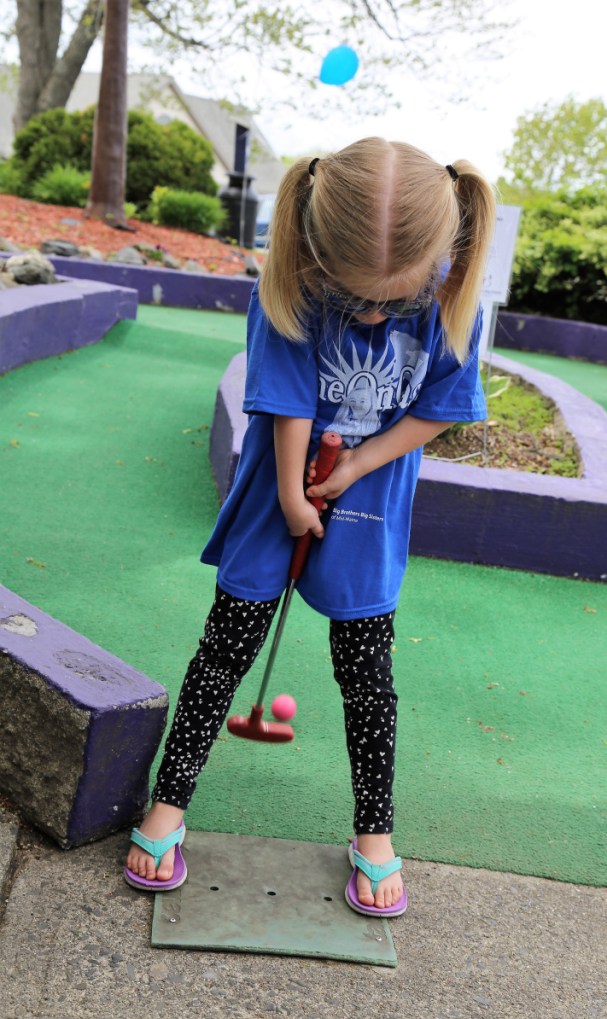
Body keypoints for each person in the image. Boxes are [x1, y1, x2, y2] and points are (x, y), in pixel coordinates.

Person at [124, 136, 497, 916]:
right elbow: (289, 398)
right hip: (277, 495)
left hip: (369, 505)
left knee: (367, 676)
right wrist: (295, 495)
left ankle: (374, 833)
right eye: (351, 295)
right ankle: (170, 802)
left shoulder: (450, 293)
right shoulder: (287, 285)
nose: (368, 313)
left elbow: (438, 410)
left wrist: (356, 468)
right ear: (317, 258)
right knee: (224, 646)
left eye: (390, 304)